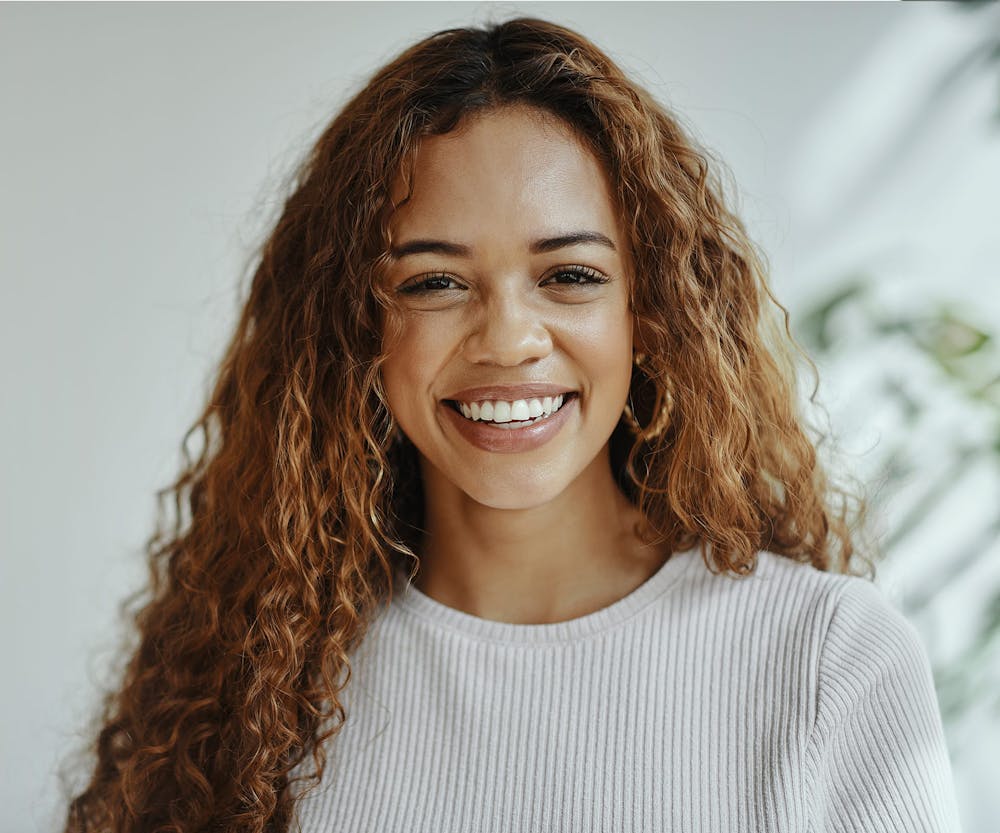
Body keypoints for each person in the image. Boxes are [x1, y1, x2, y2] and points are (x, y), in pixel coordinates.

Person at [62, 17, 963, 833]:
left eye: (569, 276)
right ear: (357, 329)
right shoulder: (255, 681)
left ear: (650, 314)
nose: (507, 339)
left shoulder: (826, 660)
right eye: (434, 282)